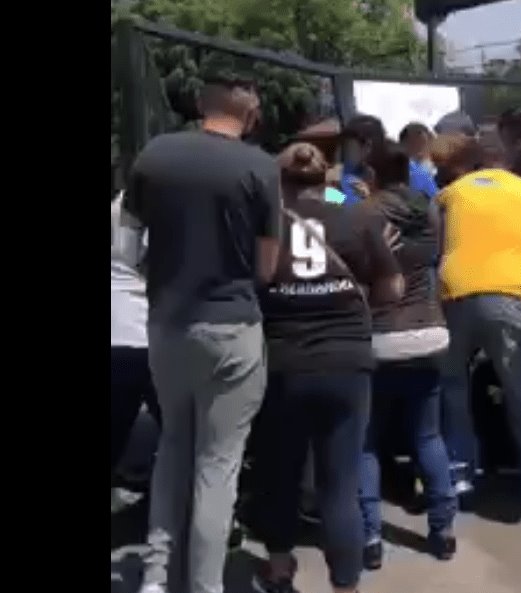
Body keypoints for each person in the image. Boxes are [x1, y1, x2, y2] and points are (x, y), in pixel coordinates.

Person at [122, 75, 281, 593]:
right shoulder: (260, 166)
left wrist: (166, 278)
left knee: (173, 446)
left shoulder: (155, 155)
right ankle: (205, 585)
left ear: (199, 104)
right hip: (232, 325)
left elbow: (127, 247)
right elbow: (267, 266)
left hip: (168, 325)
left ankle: (154, 576)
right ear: (251, 113)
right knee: (218, 464)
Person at [258, 143, 403, 593]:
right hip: (346, 361)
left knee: (279, 471)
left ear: (280, 181)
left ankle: (280, 570)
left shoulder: (266, 222)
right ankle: (345, 585)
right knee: (338, 485)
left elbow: (253, 282)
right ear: (326, 179)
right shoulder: (358, 217)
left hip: (284, 360)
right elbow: (393, 287)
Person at [431, 133, 521, 508]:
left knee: (452, 387)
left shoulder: (452, 192)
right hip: (508, 296)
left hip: (454, 294)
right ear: (508, 162)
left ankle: (460, 476)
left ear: (476, 163)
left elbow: (434, 244)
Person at [358, 141, 457, 569]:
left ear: (373, 174)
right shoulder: (428, 207)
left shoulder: (367, 212)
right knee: (427, 436)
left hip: (381, 336)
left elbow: (336, 208)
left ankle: (370, 537)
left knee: (365, 443)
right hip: (430, 331)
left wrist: (341, 193)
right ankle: (443, 529)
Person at [111, 190, 161, 482]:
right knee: (178, 434)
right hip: (147, 329)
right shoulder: (157, 206)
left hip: (119, 328)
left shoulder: (121, 203)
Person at [340, 115, 437, 204]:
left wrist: (333, 195)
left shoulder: (410, 171)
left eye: (350, 147)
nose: (347, 152)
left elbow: (348, 202)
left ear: (367, 146)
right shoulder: (351, 168)